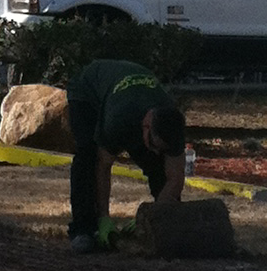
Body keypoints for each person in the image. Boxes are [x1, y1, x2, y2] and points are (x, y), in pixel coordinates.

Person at [66, 59, 187, 253]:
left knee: (157, 164)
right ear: (146, 126)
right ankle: (83, 230)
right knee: (87, 155)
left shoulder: (172, 123)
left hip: (129, 93)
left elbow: (175, 176)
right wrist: (104, 218)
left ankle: (161, 226)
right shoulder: (118, 120)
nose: (156, 151)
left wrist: (153, 215)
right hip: (88, 91)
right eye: (154, 145)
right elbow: (103, 166)